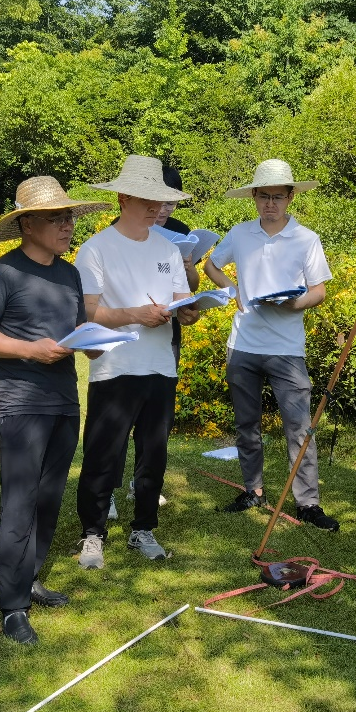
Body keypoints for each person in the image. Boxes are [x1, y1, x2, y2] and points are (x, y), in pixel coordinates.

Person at [0, 176, 109, 645]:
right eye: (57, 218)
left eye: (69, 216)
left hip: (65, 402)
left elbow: (78, 326)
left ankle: (29, 577)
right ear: (27, 224)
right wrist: (29, 351)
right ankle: (11, 606)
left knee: (49, 500)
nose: (68, 225)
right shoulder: (0, 274)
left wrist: (93, 344)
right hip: (20, 403)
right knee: (20, 503)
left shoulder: (69, 273)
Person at [75, 155, 199, 568]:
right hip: (114, 365)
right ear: (123, 198)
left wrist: (190, 310)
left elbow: (182, 298)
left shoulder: (168, 248)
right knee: (101, 453)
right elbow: (90, 312)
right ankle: (92, 534)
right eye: (148, 199)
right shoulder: (95, 250)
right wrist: (134, 314)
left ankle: (143, 528)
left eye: (160, 199)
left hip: (161, 364)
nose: (156, 207)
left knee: (154, 453)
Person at [203, 159, 339, 531]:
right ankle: (253, 490)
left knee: (299, 428)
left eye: (278, 196)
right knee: (247, 425)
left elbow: (320, 291)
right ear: (254, 197)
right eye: (263, 196)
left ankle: (308, 503)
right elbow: (211, 264)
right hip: (243, 343)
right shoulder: (241, 233)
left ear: (291, 197)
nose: (270, 204)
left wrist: (294, 303)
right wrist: (232, 292)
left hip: (287, 348)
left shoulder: (305, 238)